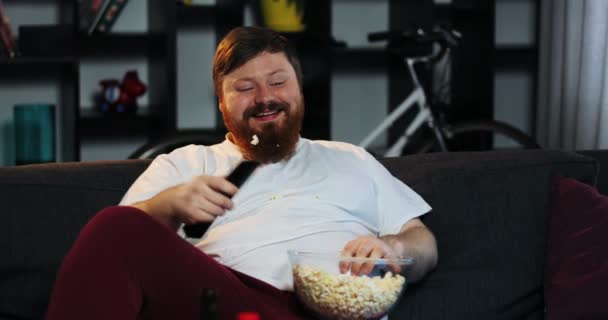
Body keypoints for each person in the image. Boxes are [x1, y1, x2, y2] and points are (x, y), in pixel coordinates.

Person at [46, 26, 437, 320]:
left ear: (299, 90)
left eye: (278, 82)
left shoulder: (352, 159)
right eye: (245, 87)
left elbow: (423, 242)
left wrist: (395, 248)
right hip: (237, 304)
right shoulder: (186, 164)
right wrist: (169, 206)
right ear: (222, 104)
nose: (265, 97)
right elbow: (119, 249)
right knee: (116, 224)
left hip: (341, 310)